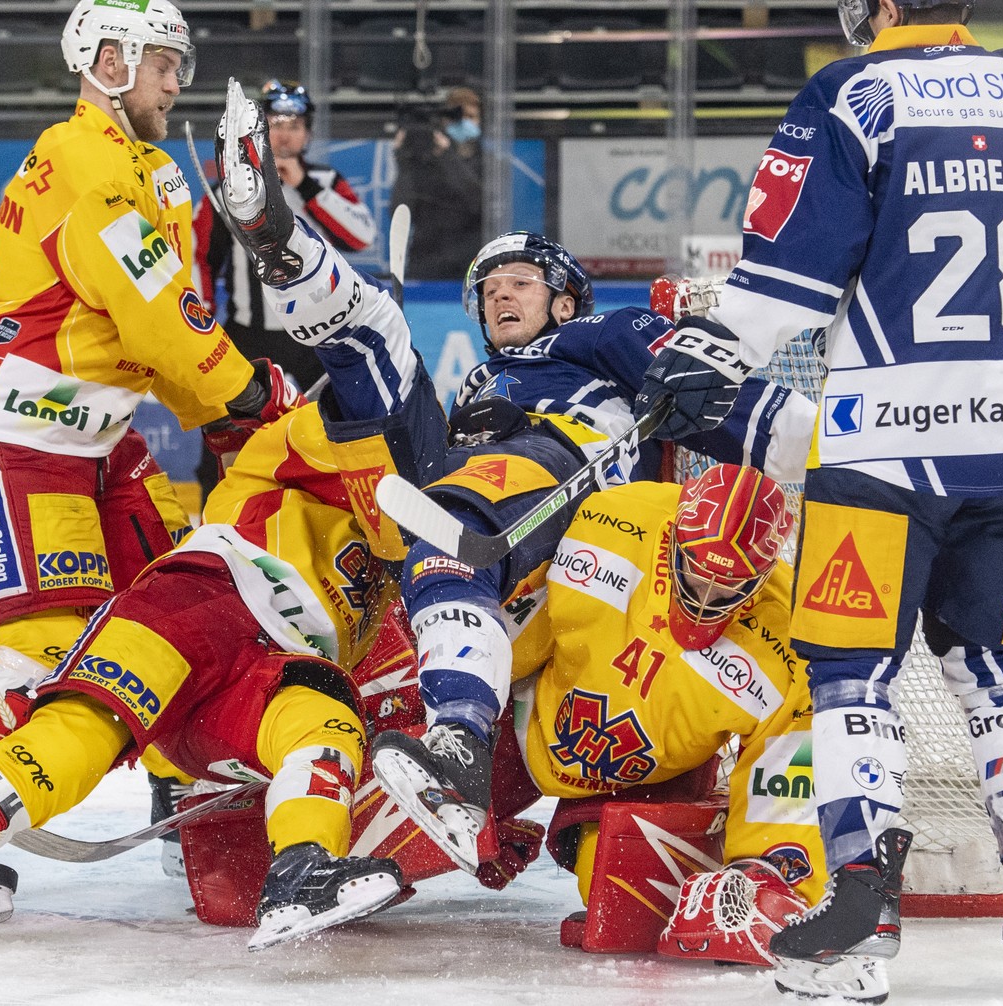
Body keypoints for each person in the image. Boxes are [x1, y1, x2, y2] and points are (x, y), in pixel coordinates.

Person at [211, 80, 819, 875]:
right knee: (374, 338)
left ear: (567, 301)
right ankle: (281, 246)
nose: (499, 293)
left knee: (449, 533)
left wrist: (844, 458)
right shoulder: (481, 383)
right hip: (462, 485)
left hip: (564, 485)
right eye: (489, 288)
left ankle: (460, 745)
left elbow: (737, 405)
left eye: (521, 282)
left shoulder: (607, 332)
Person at [637, 1, 1003, 998]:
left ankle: (859, 906)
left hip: (894, 443)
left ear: (884, 7)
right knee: (999, 658)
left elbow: (795, 267)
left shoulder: (854, 92)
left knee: (852, 671)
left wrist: (709, 354)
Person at [0, 0, 297, 922]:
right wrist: (247, 396)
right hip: (16, 430)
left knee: (178, 599)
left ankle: (182, 793)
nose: (174, 80)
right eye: (160, 61)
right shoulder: (88, 162)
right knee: (42, 642)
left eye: (180, 63)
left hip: (95, 435)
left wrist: (228, 403)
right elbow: (159, 319)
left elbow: (166, 328)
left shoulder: (145, 169)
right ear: (107, 59)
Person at [0, 403, 412, 957]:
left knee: (324, 720)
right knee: (65, 746)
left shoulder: (406, 577)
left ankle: (301, 873)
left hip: (257, 677)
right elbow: (351, 422)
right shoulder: (287, 452)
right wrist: (427, 454)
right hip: (195, 609)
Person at [515, 463, 831, 968]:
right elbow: (519, 619)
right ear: (673, 540)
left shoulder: (791, 638)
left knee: (620, 905)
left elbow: (787, 766)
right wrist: (467, 708)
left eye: (728, 588)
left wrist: (767, 868)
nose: (706, 599)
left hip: (653, 781)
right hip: (525, 723)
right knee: (407, 811)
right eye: (696, 573)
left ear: (765, 573)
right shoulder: (611, 519)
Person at [192, 79, 377, 502]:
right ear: (259, 130)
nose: (285, 132)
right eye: (275, 121)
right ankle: (216, 515)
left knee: (344, 421)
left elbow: (360, 235)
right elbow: (201, 257)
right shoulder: (230, 189)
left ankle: (347, 507)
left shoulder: (327, 180)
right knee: (225, 428)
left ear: (308, 131)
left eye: (295, 122)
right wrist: (203, 315)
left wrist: (306, 187)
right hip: (249, 332)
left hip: (320, 330)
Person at [390, 86, 484, 280]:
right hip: (426, 260)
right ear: (444, 121)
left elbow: (476, 202)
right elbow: (401, 212)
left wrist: (446, 155)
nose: (464, 122)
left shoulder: (489, 164)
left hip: (467, 262)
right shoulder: (426, 161)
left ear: (480, 121)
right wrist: (404, 160)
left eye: (471, 116)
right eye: (458, 116)